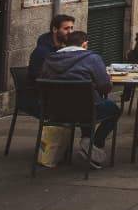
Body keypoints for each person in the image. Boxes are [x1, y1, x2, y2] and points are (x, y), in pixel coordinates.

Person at [39, 30, 119, 168]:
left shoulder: (50, 59)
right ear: (85, 44)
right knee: (113, 109)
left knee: (84, 105)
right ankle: (94, 144)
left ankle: (88, 142)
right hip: (86, 110)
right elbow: (105, 86)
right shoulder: (92, 58)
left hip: (55, 112)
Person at [29, 14, 76, 82]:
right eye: (66, 28)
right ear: (55, 29)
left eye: (71, 28)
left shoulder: (65, 47)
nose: (70, 32)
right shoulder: (42, 51)